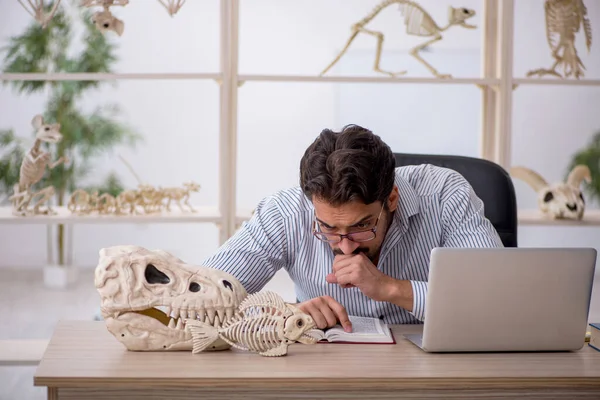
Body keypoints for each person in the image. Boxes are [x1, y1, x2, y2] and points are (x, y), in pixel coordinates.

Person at [201, 124, 503, 331]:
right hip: (327, 375)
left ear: (392, 198)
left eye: (363, 226)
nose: (345, 246)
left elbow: (495, 296)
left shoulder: (444, 194)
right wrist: (282, 313)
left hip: (437, 373)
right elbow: (202, 297)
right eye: (328, 228)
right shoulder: (284, 213)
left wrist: (391, 288)